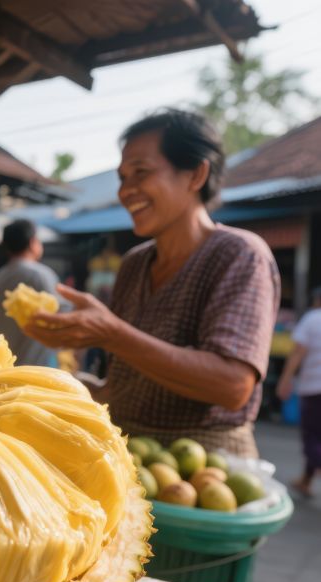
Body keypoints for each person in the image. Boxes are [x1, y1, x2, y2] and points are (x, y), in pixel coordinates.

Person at [24, 109, 280, 458]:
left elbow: (233, 385)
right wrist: (59, 387)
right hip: (128, 457)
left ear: (197, 174)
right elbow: (125, 383)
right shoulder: (134, 264)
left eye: (141, 173)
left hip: (205, 468)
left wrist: (111, 332)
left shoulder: (239, 254)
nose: (126, 191)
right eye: (122, 177)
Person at [0, 220, 62, 366]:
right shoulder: (41, 274)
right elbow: (60, 316)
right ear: (32, 242)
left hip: (3, 365)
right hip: (36, 367)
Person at [276, 287, 321, 496]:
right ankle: (305, 481)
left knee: (311, 437)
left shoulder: (312, 318)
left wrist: (285, 379)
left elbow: (298, 352)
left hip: (314, 389)